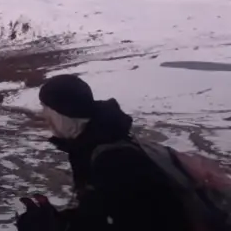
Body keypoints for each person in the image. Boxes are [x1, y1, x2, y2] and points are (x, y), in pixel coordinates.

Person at [17, 73, 193, 231]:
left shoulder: (115, 161)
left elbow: (140, 222)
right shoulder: (93, 145)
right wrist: (60, 222)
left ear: (62, 113)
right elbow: (102, 213)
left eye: (47, 109)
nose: (45, 117)